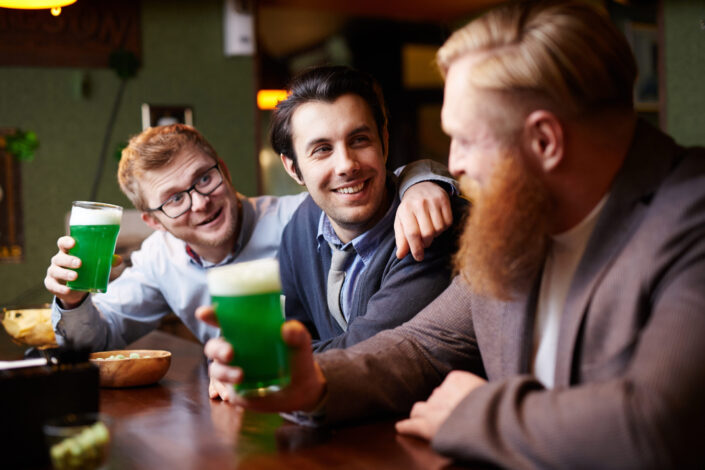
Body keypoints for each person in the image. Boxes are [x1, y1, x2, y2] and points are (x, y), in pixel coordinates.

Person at [201, 1, 705, 468]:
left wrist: (479, 413)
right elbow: (422, 344)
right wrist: (311, 382)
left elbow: (658, 426)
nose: (454, 164)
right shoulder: (523, 218)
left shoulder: (691, 215)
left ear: (545, 140)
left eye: (465, 140)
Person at [44, 123, 456, 351]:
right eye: (174, 199)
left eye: (204, 178)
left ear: (223, 168)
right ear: (153, 220)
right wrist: (73, 299)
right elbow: (97, 337)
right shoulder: (159, 257)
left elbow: (360, 188)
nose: (200, 203)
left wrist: (422, 180)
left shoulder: (297, 218)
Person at [272, 66, 465, 351]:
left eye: (359, 140)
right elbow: (284, 330)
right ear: (293, 168)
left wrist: (262, 360)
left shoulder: (426, 227)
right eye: (322, 149)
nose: (347, 165)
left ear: (384, 141)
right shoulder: (303, 223)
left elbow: (363, 353)